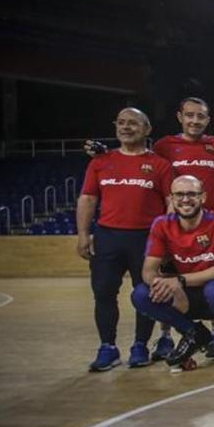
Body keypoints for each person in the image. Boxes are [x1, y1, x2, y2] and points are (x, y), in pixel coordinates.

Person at [75, 107, 173, 371]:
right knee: (104, 292)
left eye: (133, 123)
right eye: (121, 123)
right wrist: (84, 234)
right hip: (108, 236)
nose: (126, 127)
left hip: (146, 238)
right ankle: (107, 347)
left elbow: (170, 203)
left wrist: (167, 240)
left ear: (147, 129)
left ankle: (141, 344)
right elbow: (88, 199)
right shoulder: (100, 162)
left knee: (146, 293)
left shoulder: (159, 165)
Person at [130, 175, 214, 372]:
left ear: (203, 197)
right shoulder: (161, 224)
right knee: (140, 294)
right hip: (186, 296)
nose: (185, 199)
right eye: (179, 195)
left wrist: (180, 281)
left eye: (192, 194)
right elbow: (148, 270)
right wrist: (166, 285)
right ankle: (193, 333)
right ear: (172, 199)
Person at [151, 96, 214, 361]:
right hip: (176, 228)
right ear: (179, 117)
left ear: (208, 120)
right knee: (167, 278)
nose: (194, 121)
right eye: (189, 115)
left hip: (211, 225)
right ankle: (166, 337)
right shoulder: (164, 146)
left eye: (200, 116)